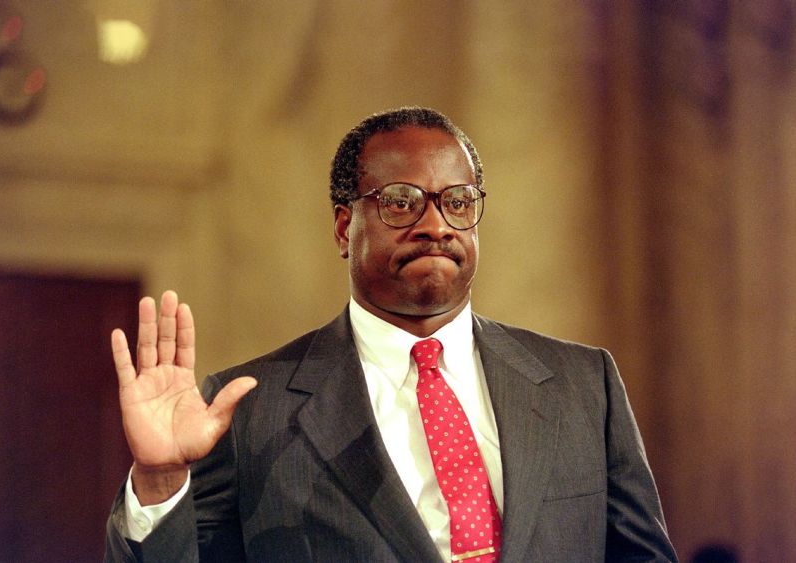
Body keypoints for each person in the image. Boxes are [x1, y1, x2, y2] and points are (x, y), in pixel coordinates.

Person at [105, 107, 678, 562]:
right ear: (343, 226)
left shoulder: (583, 386)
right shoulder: (250, 411)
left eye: (457, 202)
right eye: (401, 203)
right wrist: (159, 481)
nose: (435, 225)